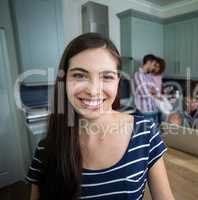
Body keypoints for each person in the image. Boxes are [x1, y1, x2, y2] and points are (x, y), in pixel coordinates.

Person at [26, 33, 174, 200]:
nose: (93, 90)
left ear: (117, 81)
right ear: (64, 79)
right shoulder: (46, 150)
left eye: (107, 77)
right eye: (80, 75)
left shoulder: (145, 134)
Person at [133, 54, 159, 123]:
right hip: (144, 112)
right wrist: (151, 91)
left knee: (154, 133)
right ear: (148, 62)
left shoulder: (149, 75)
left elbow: (157, 90)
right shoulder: (138, 75)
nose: (154, 67)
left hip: (153, 110)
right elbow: (145, 93)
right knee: (146, 133)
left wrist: (152, 91)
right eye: (153, 64)